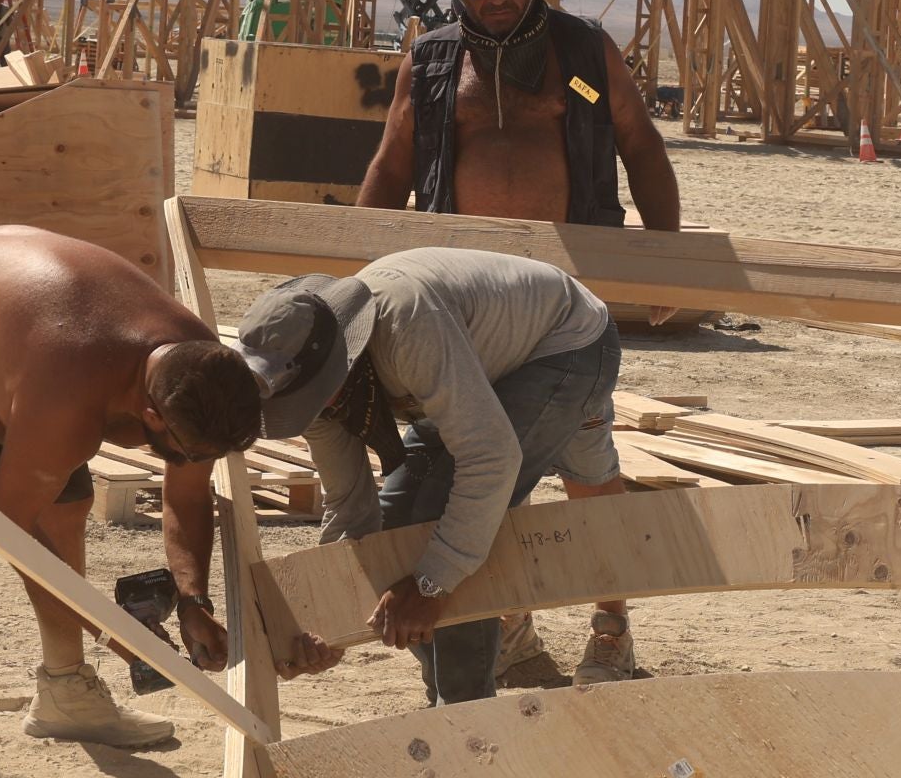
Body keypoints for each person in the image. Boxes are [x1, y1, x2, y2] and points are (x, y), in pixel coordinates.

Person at [358, 0, 682, 686]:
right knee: (477, 469)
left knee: (586, 472)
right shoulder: (431, 62)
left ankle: (611, 625)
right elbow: (391, 164)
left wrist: (667, 259)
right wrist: (358, 274)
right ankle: (511, 630)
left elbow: (640, 144)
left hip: (564, 311)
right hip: (463, 308)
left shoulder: (581, 54)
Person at [0, 225, 264, 778]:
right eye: (182, 450)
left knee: (69, 507)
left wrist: (192, 598)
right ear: (152, 413)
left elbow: (186, 497)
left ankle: (64, 693)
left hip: (30, 324)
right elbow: (9, 536)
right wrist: (122, 637)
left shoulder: (202, 368)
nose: (188, 465)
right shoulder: (67, 397)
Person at [236, 247, 625, 706]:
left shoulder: (407, 328)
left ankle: (466, 712)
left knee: (449, 529)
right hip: (474, 359)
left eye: (319, 398)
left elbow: (491, 461)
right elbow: (352, 507)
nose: (315, 410)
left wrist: (432, 584)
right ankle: (462, 679)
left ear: (343, 357)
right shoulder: (305, 386)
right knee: (403, 520)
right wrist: (329, 619)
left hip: (564, 342)